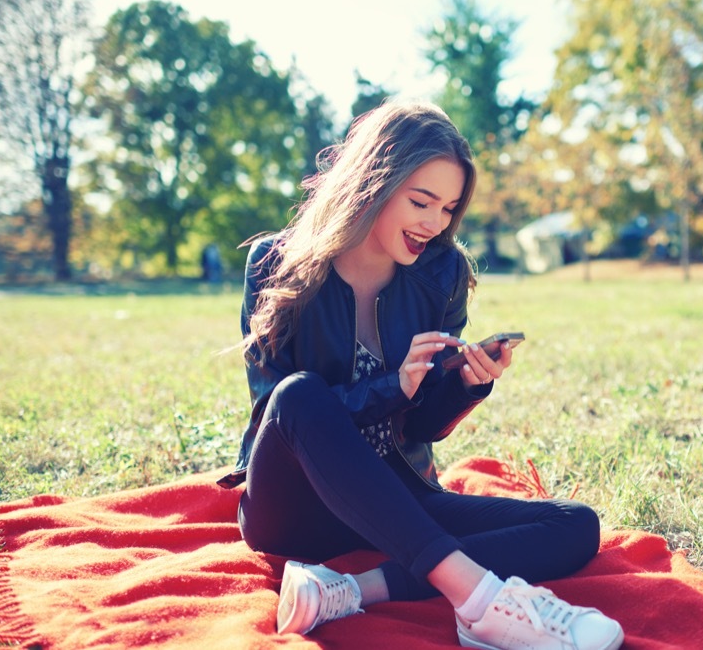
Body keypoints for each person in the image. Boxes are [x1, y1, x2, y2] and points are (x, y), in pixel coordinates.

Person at [217, 101, 623, 650]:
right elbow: (277, 414)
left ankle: (352, 590)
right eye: (420, 202)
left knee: (573, 525)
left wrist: (466, 383)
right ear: (373, 184)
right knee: (299, 394)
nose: (434, 224)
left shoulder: (442, 272)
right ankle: (481, 603)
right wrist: (391, 388)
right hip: (293, 509)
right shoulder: (275, 264)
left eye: (448, 208)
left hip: (395, 498)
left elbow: (423, 428)